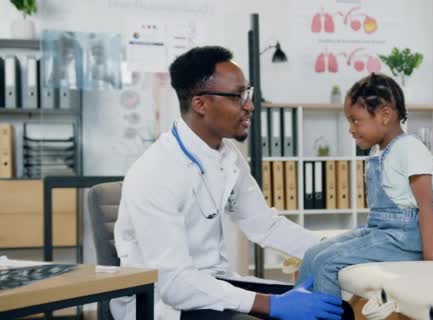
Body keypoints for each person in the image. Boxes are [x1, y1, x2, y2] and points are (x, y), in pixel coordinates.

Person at [111, 46, 346, 320]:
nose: (249, 105)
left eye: (248, 93)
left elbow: (265, 225)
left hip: (214, 284)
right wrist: (270, 305)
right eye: (238, 96)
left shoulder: (226, 155)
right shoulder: (155, 171)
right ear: (200, 104)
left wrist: (335, 248)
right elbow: (174, 283)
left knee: (337, 311)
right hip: (162, 303)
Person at [295, 73, 433, 297]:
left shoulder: (409, 148)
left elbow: (427, 205)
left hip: (402, 240)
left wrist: (431, 256)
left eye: (355, 120)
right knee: (312, 254)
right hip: (380, 231)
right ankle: (297, 312)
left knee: (326, 262)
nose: (351, 129)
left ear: (385, 115)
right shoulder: (378, 151)